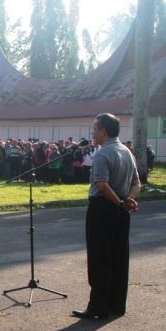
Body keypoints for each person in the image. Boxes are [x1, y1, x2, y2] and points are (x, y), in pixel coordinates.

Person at [73, 113, 141, 320]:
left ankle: (98, 307)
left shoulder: (103, 154)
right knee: (119, 257)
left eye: (95, 129)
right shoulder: (127, 152)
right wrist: (128, 200)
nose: (93, 133)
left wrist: (120, 202)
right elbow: (137, 183)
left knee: (99, 258)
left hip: (103, 209)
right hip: (121, 210)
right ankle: (116, 304)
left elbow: (102, 185)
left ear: (103, 131)